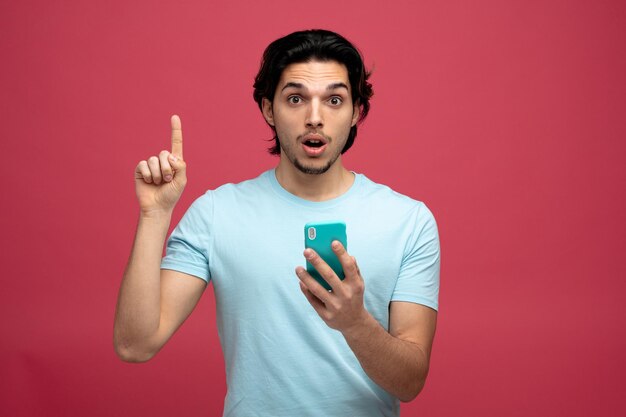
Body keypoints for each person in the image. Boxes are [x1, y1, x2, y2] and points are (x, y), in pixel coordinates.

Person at [114, 29, 440, 417]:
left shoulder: (408, 221)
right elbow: (135, 345)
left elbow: (410, 383)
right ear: (269, 109)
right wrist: (154, 216)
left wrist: (355, 324)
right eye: (296, 98)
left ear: (356, 112)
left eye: (334, 100)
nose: (314, 118)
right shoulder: (217, 213)